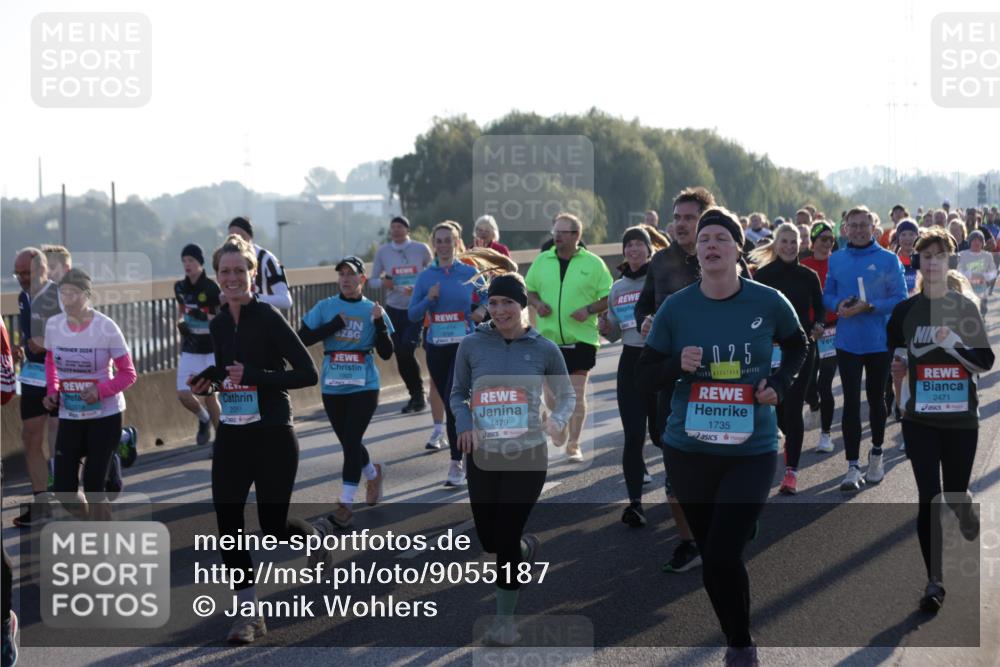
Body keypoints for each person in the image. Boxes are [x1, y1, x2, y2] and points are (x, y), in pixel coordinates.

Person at [636, 207, 808, 665]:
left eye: (721, 238)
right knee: (714, 555)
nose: (711, 245)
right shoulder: (676, 308)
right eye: (705, 238)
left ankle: (740, 646)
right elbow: (645, 376)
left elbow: (797, 345)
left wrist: (781, 383)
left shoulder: (768, 301)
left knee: (723, 553)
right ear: (698, 251)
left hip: (749, 449)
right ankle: (737, 632)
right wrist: (677, 365)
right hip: (689, 450)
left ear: (737, 249)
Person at [188, 234, 321, 644]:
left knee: (273, 526)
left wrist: (256, 377)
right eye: (224, 271)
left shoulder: (269, 319)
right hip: (233, 433)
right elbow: (229, 368)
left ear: (252, 275)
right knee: (228, 524)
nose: (231, 278)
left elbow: (306, 374)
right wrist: (209, 379)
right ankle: (249, 614)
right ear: (217, 275)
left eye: (239, 271)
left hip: (273, 433)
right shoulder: (219, 322)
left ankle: (309, 536)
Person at [451, 273, 575, 646]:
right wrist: (465, 423)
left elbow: (566, 395)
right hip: (484, 454)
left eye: (508, 303)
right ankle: (524, 550)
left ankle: (505, 622)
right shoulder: (472, 344)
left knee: (504, 535)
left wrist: (557, 419)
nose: (500, 310)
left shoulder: (544, 348)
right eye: (494, 303)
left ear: (523, 306)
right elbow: (457, 393)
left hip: (528, 454)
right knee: (490, 539)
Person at [887, 226, 994, 613]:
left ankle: (963, 502)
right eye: (926, 256)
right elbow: (898, 361)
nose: (932, 263)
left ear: (949, 259)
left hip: (961, 418)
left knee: (952, 494)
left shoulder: (964, 308)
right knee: (929, 497)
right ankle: (936, 579)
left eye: (939, 256)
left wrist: (952, 344)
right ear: (918, 261)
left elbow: (984, 363)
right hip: (921, 419)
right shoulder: (904, 312)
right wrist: (899, 383)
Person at [634, 186, 721, 573]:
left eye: (690, 218)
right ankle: (689, 540)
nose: (681, 224)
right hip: (671, 374)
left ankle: (719, 524)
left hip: (720, 375)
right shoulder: (660, 262)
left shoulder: (724, 257)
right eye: (678, 217)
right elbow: (642, 304)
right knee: (668, 449)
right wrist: (645, 321)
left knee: (715, 454)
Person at [298, 256, 393, 529]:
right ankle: (373, 474)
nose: (346, 279)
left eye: (351, 274)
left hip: (364, 385)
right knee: (348, 442)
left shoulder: (373, 310)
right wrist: (332, 327)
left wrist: (379, 323)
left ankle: (346, 504)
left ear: (362, 279)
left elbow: (387, 353)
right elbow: (301, 339)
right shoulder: (325, 307)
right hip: (333, 385)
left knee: (351, 440)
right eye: (341, 274)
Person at [822, 205, 907, 492]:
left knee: (875, 399)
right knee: (848, 402)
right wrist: (838, 305)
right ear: (845, 229)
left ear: (874, 227)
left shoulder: (888, 259)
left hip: (877, 342)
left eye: (863, 224)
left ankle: (878, 452)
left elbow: (900, 298)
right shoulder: (837, 259)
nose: (858, 229)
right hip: (847, 342)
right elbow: (827, 294)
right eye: (853, 225)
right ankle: (852, 466)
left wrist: (870, 306)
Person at [44, 269, 137, 519]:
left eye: (74, 293)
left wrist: (100, 390)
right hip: (71, 414)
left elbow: (128, 373)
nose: (68, 299)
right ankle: (96, 525)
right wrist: (52, 390)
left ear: (87, 295)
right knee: (64, 491)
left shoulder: (106, 328)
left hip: (105, 415)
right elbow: (51, 361)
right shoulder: (53, 326)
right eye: (63, 293)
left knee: (94, 486)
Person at [525, 212, 613, 464]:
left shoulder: (594, 264)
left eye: (563, 232)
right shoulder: (542, 261)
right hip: (549, 340)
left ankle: (573, 444)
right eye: (555, 231)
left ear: (576, 236)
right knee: (552, 397)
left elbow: (609, 296)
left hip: (581, 338)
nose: (557, 236)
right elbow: (528, 289)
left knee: (575, 393)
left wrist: (588, 310)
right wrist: (538, 303)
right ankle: (558, 424)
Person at [598, 225, 670, 526]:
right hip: (630, 361)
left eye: (639, 245)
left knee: (661, 434)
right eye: (629, 246)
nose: (633, 250)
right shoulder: (617, 288)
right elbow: (615, 332)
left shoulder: (661, 279)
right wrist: (606, 328)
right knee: (633, 436)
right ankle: (635, 504)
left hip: (658, 361)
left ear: (649, 249)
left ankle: (678, 489)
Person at [409, 222, 488, 486]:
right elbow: (412, 314)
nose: (443, 245)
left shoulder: (468, 271)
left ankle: (456, 463)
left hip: (464, 346)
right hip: (436, 347)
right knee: (450, 400)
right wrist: (428, 300)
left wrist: (481, 311)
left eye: (447, 240)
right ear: (433, 244)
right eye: (438, 241)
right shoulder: (425, 277)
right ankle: (464, 453)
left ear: (456, 242)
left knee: (456, 404)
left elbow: (489, 297)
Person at [750, 223, 825, 495]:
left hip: (802, 348)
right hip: (770, 350)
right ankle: (783, 443)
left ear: (800, 243)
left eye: (794, 241)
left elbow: (819, 309)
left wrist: (818, 324)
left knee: (793, 409)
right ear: (775, 243)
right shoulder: (763, 275)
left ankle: (791, 472)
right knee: (777, 410)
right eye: (784, 241)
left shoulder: (809, 275)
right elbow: (753, 310)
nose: (790, 246)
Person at [11, 248, 61, 526]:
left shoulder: (60, 296)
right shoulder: (23, 297)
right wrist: (21, 348)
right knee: (30, 437)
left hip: (60, 374)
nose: (21, 278)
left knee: (58, 439)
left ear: (43, 270)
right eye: (17, 273)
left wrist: (46, 343)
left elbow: (77, 332)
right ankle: (41, 501)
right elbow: (30, 335)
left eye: (26, 273)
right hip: (32, 376)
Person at [369, 215, 433, 415]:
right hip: (393, 308)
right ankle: (415, 394)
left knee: (407, 348)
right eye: (393, 227)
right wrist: (384, 283)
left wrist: (420, 290)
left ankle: (419, 394)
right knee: (400, 353)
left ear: (407, 230)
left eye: (400, 227)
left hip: (415, 308)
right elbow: (371, 281)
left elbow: (433, 274)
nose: (396, 230)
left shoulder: (421, 249)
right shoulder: (383, 252)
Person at [173, 244, 221, 446]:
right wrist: (181, 326)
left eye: (191, 261)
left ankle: (222, 442)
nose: (187, 265)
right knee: (183, 394)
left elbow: (220, 318)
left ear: (200, 263)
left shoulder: (211, 288)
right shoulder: (180, 287)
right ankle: (204, 418)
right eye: (184, 261)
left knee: (210, 396)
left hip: (210, 349)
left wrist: (203, 316)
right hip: (190, 348)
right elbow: (181, 311)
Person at [802, 222, 840, 453]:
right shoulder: (804, 265)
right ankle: (814, 405)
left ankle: (826, 435)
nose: (827, 243)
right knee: (807, 383)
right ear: (813, 241)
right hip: (808, 330)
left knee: (826, 384)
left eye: (831, 239)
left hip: (832, 330)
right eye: (823, 238)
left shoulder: (838, 264)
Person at [226, 216, 292, 310]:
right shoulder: (226, 260)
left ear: (250, 237)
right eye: (232, 238)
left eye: (241, 237)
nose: (236, 242)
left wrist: (253, 298)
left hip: (263, 319)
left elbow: (286, 301)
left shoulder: (267, 259)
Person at [958, 231, 997, 316]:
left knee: (982, 311)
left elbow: (994, 272)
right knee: (968, 311)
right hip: (967, 288)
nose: (976, 242)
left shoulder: (987, 256)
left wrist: (984, 276)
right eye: (974, 240)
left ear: (983, 243)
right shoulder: (962, 254)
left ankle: (981, 319)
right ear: (970, 242)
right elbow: (959, 270)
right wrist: (971, 275)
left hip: (982, 288)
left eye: (979, 240)